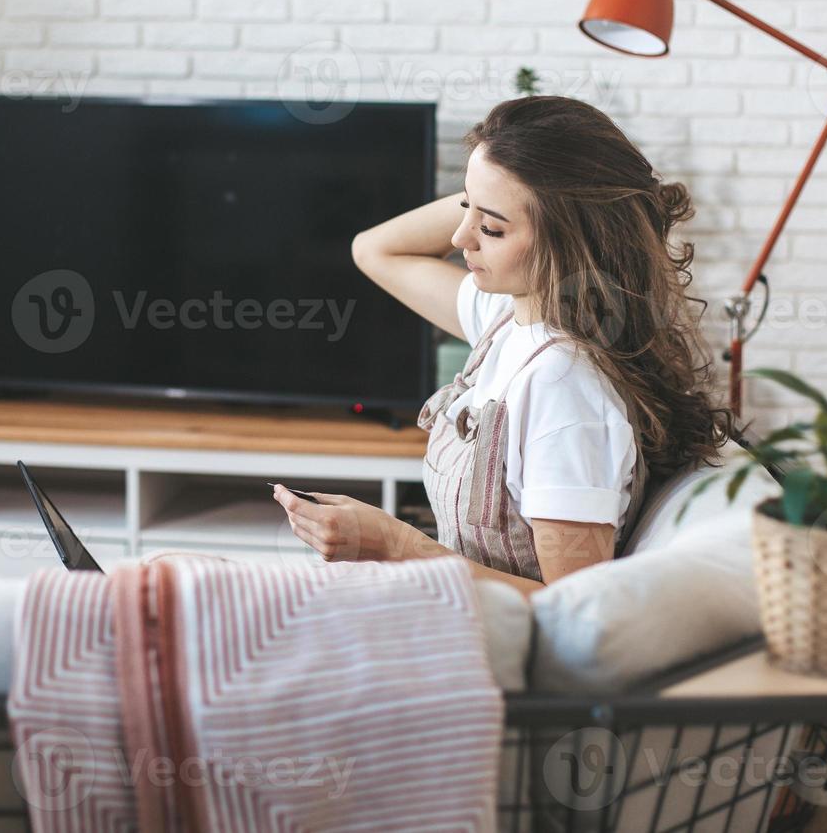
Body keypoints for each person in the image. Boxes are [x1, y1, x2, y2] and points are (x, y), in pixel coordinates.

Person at [272, 96, 733, 599]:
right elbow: (374, 250)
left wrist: (394, 544)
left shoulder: (561, 385)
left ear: (567, 238)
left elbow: (576, 608)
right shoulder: (511, 319)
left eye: (491, 228)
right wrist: (495, 177)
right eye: (465, 208)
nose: (458, 236)